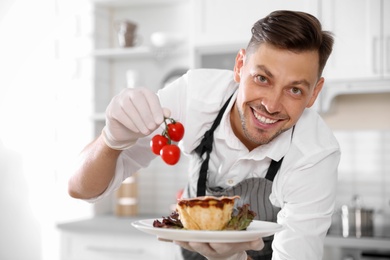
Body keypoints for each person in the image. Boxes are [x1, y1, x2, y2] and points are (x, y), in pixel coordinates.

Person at [68, 10, 340, 260]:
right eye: (262, 78)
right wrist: (110, 140)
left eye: (295, 90)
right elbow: (81, 189)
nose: (271, 105)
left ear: (314, 93)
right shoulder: (194, 97)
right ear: (240, 66)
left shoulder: (315, 153)